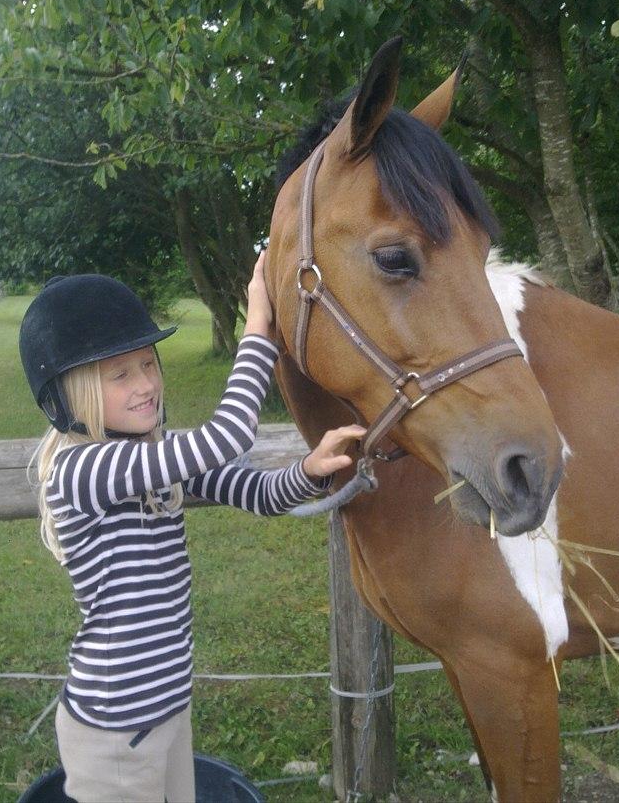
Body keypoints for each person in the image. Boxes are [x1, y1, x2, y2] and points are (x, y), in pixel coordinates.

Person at [19, 253, 364, 803]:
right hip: (115, 732)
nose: (146, 384)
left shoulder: (149, 457)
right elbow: (226, 437)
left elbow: (255, 492)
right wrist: (258, 328)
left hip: (167, 710)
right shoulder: (84, 470)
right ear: (70, 395)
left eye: (148, 364)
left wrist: (309, 470)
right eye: (121, 374)